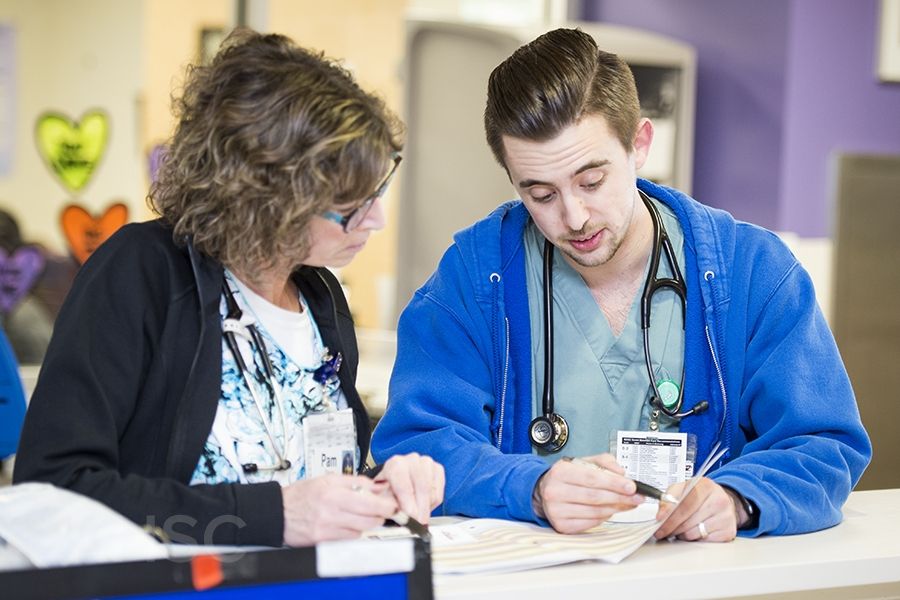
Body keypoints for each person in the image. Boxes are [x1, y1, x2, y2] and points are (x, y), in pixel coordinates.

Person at [372, 27, 870, 542]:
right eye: (540, 194)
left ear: (640, 144)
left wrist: (740, 498)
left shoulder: (753, 273)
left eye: (592, 181)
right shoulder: (472, 281)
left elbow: (824, 444)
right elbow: (416, 447)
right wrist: (531, 487)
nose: (574, 217)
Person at [14, 28, 443, 547]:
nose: (375, 220)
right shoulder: (141, 273)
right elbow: (54, 489)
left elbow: (311, 479)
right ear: (265, 193)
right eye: (350, 204)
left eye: (378, 190)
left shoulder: (320, 296)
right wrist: (273, 515)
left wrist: (380, 487)